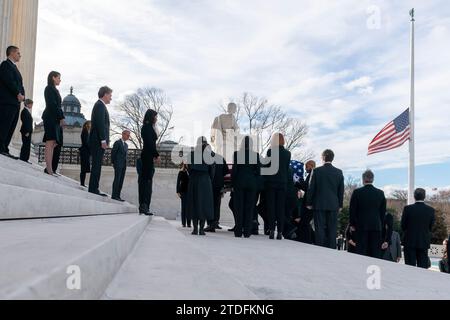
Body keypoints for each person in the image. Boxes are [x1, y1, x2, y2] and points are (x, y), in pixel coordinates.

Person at [306, 149, 344, 249]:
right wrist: (340, 205)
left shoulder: (316, 171)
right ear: (332, 158)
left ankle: (319, 250)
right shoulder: (339, 172)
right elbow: (341, 191)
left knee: (319, 229)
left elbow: (311, 188)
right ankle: (331, 250)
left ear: (323, 158)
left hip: (319, 204)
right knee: (332, 229)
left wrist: (308, 203)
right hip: (333, 205)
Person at [349, 170, 386, 259]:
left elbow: (352, 210)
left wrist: (352, 224)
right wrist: (381, 225)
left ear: (363, 179)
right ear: (373, 179)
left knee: (361, 252)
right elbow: (382, 212)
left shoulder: (357, 192)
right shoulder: (380, 193)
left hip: (361, 226)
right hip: (376, 227)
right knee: (375, 253)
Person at [231, 136, 261, 238]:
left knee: (239, 207)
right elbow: (259, 171)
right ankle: (247, 232)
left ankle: (238, 231)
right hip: (251, 184)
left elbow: (234, 170)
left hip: (239, 182)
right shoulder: (255, 155)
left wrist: (233, 183)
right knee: (249, 208)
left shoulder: (237, 154)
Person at [265, 133, 292, 240]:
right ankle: (280, 232)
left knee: (271, 207)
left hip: (271, 182)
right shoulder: (288, 153)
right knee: (280, 208)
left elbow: (267, 166)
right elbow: (286, 168)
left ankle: (272, 230)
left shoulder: (270, 151)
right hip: (282, 183)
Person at [0, 46, 25, 159]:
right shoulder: (5, 65)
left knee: (11, 126)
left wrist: (22, 95)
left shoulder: (15, 68)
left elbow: (20, 84)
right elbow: (9, 81)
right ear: (12, 53)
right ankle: (1, 147)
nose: (20, 55)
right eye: (18, 53)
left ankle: (5, 148)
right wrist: (17, 93)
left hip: (15, 103)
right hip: (7, 101)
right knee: (4, 125)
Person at [401, 188, 436, 269]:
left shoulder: (407, 209)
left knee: (410, 267)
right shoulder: (431, 210)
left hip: (409, 241)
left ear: (414, 196)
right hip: (423, 242)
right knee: (423, 268)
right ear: (424, 196)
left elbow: (403, 225)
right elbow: (431, 227)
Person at [187, 137, 215, 236]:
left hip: (194, 180)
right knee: (204, 204)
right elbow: (212, 171)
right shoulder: (210, 155)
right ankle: (202, 229)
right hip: (205, 180)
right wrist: (208, 179)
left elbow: (189, 169)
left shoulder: (191, 154)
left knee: (194, 203)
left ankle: (195, 229)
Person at [88, 86, 112, 197]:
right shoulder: (100, 106)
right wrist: (103, 140)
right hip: (97, 141)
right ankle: (93, 188)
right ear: (105, 94)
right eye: (110, 95)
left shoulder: (100, 106)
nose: (111, 98)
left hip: (98, 141)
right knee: (96, 165)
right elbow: (100, 125)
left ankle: (94, 187)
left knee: (97, 165)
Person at [42, 71, 65, 176]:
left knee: (53, 143)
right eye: (58, 78)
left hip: (54, 118)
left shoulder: (55, 90)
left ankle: (49, 168)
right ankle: (49, 169)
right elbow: (53, 104)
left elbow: (58, 106)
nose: (60, 80)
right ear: (53, 78)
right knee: (50, 142)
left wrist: (60, 117)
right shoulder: (49, 88)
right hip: (50, 117)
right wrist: (61, 117)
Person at [138, 109, 160, 215]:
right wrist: (156, 155)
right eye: (155, 116)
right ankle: (143, 206)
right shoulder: (146, 128)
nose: (156, 119)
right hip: (146, 157)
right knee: (145, 182)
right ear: (151, 117)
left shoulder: (149, 127)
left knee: (147, 182)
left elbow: (152, 142)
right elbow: (149, 143)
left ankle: (145, 205)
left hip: (148, 157)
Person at [205, 151, 229, 232]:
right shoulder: (220, 158)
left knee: (209, 204)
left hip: (210, 184)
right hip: (219, 185)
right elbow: (226, 171)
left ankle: (211, 223)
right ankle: (215, 222)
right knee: (217, 204)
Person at [295, 160, 316, 244]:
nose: (306, 169)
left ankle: (307, 240)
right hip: (308, 202)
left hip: (309, 203)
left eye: (306, 167)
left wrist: (298, 181)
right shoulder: (311, 175)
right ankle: (307, 239)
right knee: (305, 222)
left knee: (305, 222)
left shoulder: (312, 175)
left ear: (311, 166)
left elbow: (307, 187)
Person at [111, 130, 130, 202]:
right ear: (123, 134)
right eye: (127, 135)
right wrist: (112, 162)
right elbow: (113, 153)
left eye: (129, 136)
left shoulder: (126, 145)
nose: (128, 137)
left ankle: (118, 195)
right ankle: (114, 195)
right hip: (118, 164)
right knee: (117, 179)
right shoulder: (117, 143)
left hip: (124, 165)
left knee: (121, 180)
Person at [177, 163, 191, 228]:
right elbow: (178, 182)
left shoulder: (190, 172)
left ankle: (189, 223)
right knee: (184, 207)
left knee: (189, 208)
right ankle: (183, 223)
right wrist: (178, 191)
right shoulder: (181, 172)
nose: (186, 165)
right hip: (183, 191)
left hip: (190, 192)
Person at [19, 99, 34, 163]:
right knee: (25, 144)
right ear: (27, 104)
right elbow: (25, 122)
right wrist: (27, 131)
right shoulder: (24, 111)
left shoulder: (26, 111)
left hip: (28, 131)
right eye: (31, 104)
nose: (32, 105)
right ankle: (23, 158)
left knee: (27, 145)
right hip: (26, 131)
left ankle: (25, 158)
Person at [79, 121, 91, 187]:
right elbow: (86, 142)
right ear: (86, 125)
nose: (91, 125)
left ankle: (82, 183)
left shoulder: (87, 132)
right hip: (84, 151)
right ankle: (82, 183)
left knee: (84, 168)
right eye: (90, 124)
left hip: (86, 152)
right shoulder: (85, 132)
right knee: (83, 168)